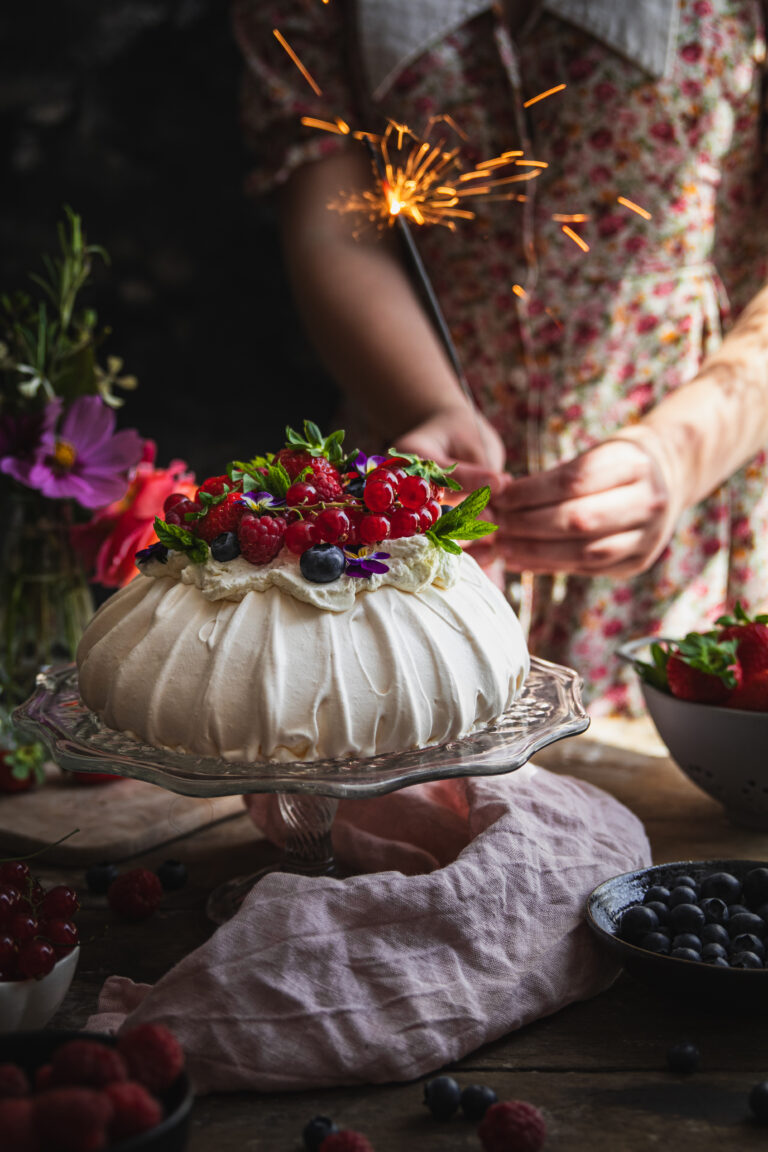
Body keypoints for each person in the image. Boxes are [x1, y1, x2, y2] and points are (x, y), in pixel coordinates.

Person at [233, 0, 768, 714]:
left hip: (695, 498)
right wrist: (429, 408)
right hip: (412, 481)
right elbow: (335, 224)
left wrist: (678, 456)